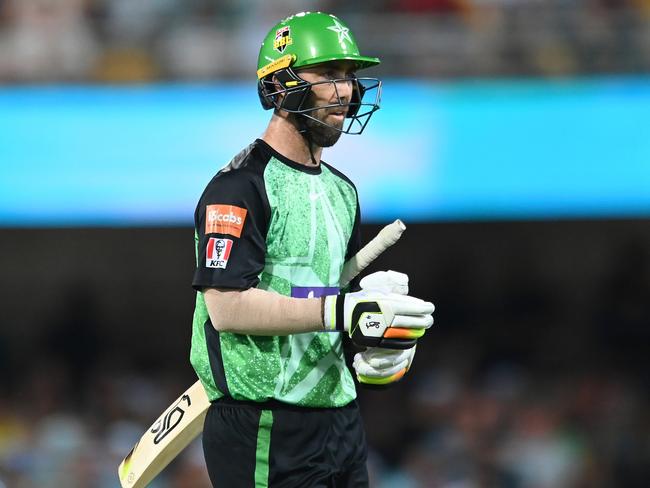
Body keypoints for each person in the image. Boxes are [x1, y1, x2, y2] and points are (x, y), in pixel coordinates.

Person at [190, 11, 435, 487]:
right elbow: (227, 308)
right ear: (280, 87)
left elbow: (322, 299)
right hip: (263, 421)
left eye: (348, 76)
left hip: (339, 417)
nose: (344, 91)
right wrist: (343, 312)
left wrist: (373, 342)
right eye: (327, 75)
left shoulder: (344, 190)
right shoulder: (238, 187)